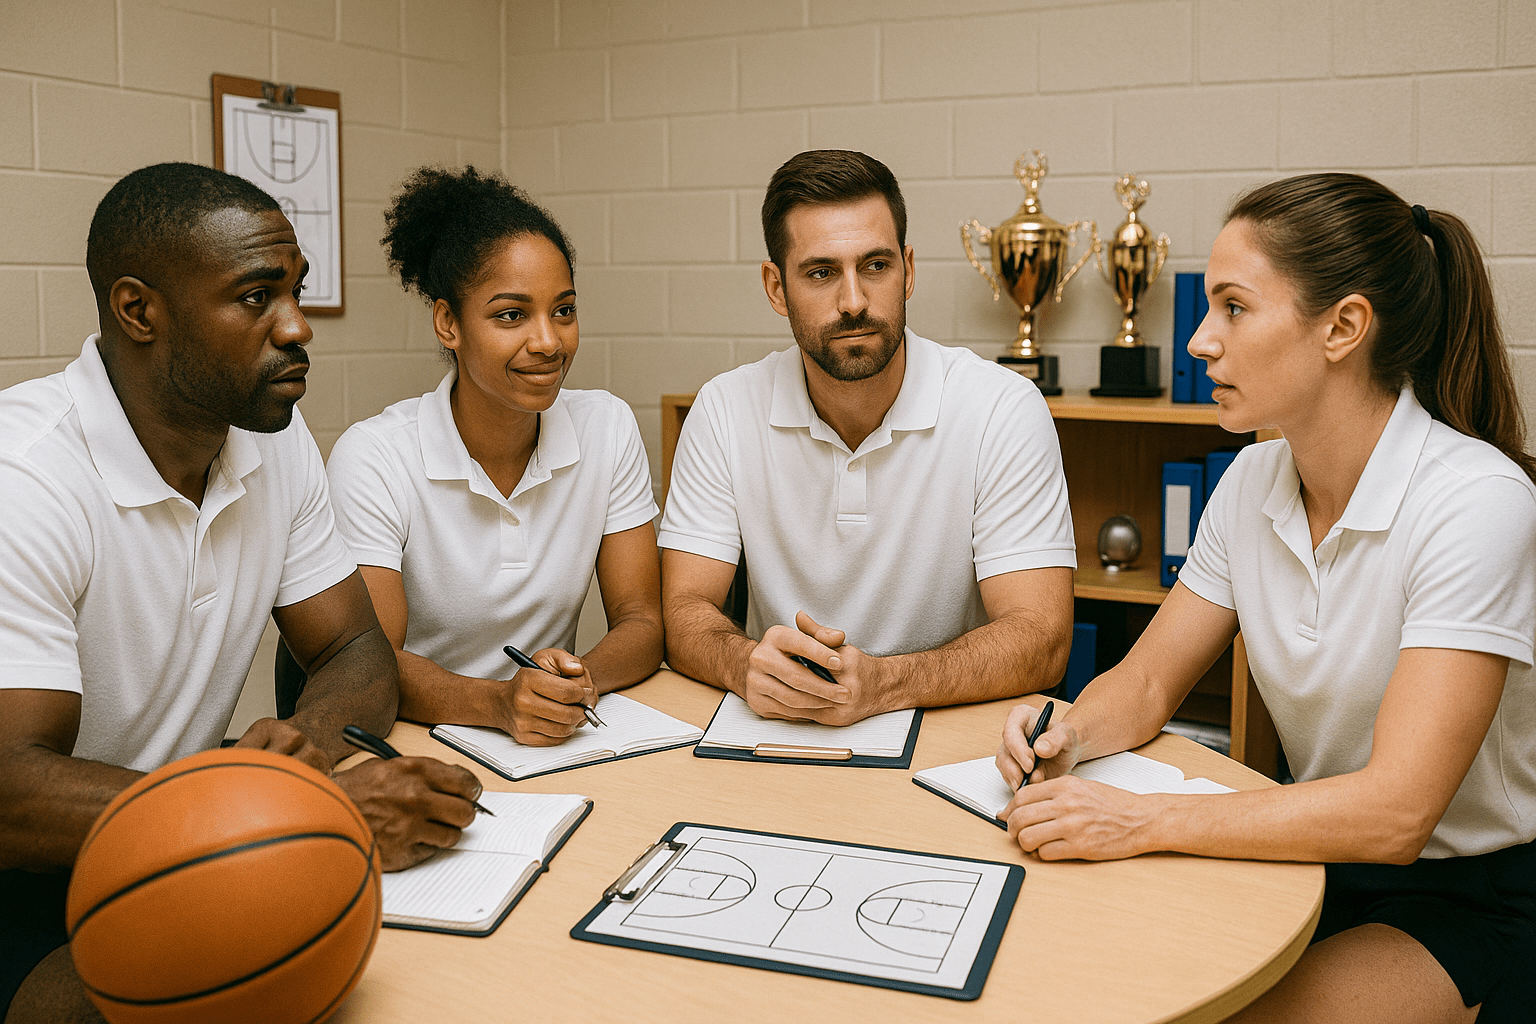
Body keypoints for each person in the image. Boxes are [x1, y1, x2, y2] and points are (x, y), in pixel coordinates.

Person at [995, 173, 1536, 1024]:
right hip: (1308, 856)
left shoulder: (1478, 501)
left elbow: (1397, 812)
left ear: (1343, 328)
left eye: (1234, 308)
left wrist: (1138, 821)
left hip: (1471, 896)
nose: (1201, 342)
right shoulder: (1252, 480)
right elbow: (1145, 686)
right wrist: (1067, 736)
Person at [0, 163, 485, 1024]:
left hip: (190, 827)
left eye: (294, 290)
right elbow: (9, 791)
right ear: (138, 311)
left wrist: (294, 753)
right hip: (35, 874)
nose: (297, 326)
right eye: (256, 296)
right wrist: (297, 811)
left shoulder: (272, 439)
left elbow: (353, 649)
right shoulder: (25, 477)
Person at [661, 150, 1076, 726]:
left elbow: (1044, 638)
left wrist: (882, 684)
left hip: (945, 733)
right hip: (776, 729)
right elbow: (684, 611)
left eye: (875, 266)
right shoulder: (724, 408)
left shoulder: (1001, 408)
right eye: (821, 272)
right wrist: (743, 664)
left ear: (908, 269)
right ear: (775, 287)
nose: (853, 301)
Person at [326, 167, 662, 747]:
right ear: (448, 323)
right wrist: (499, 703)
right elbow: (372, 664)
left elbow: (643, 621)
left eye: (563, 310)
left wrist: (579, 682)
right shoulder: (375, 455)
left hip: (552, 741)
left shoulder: (607, 426)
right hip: (416, 745)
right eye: (511, 316)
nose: (548, 342)